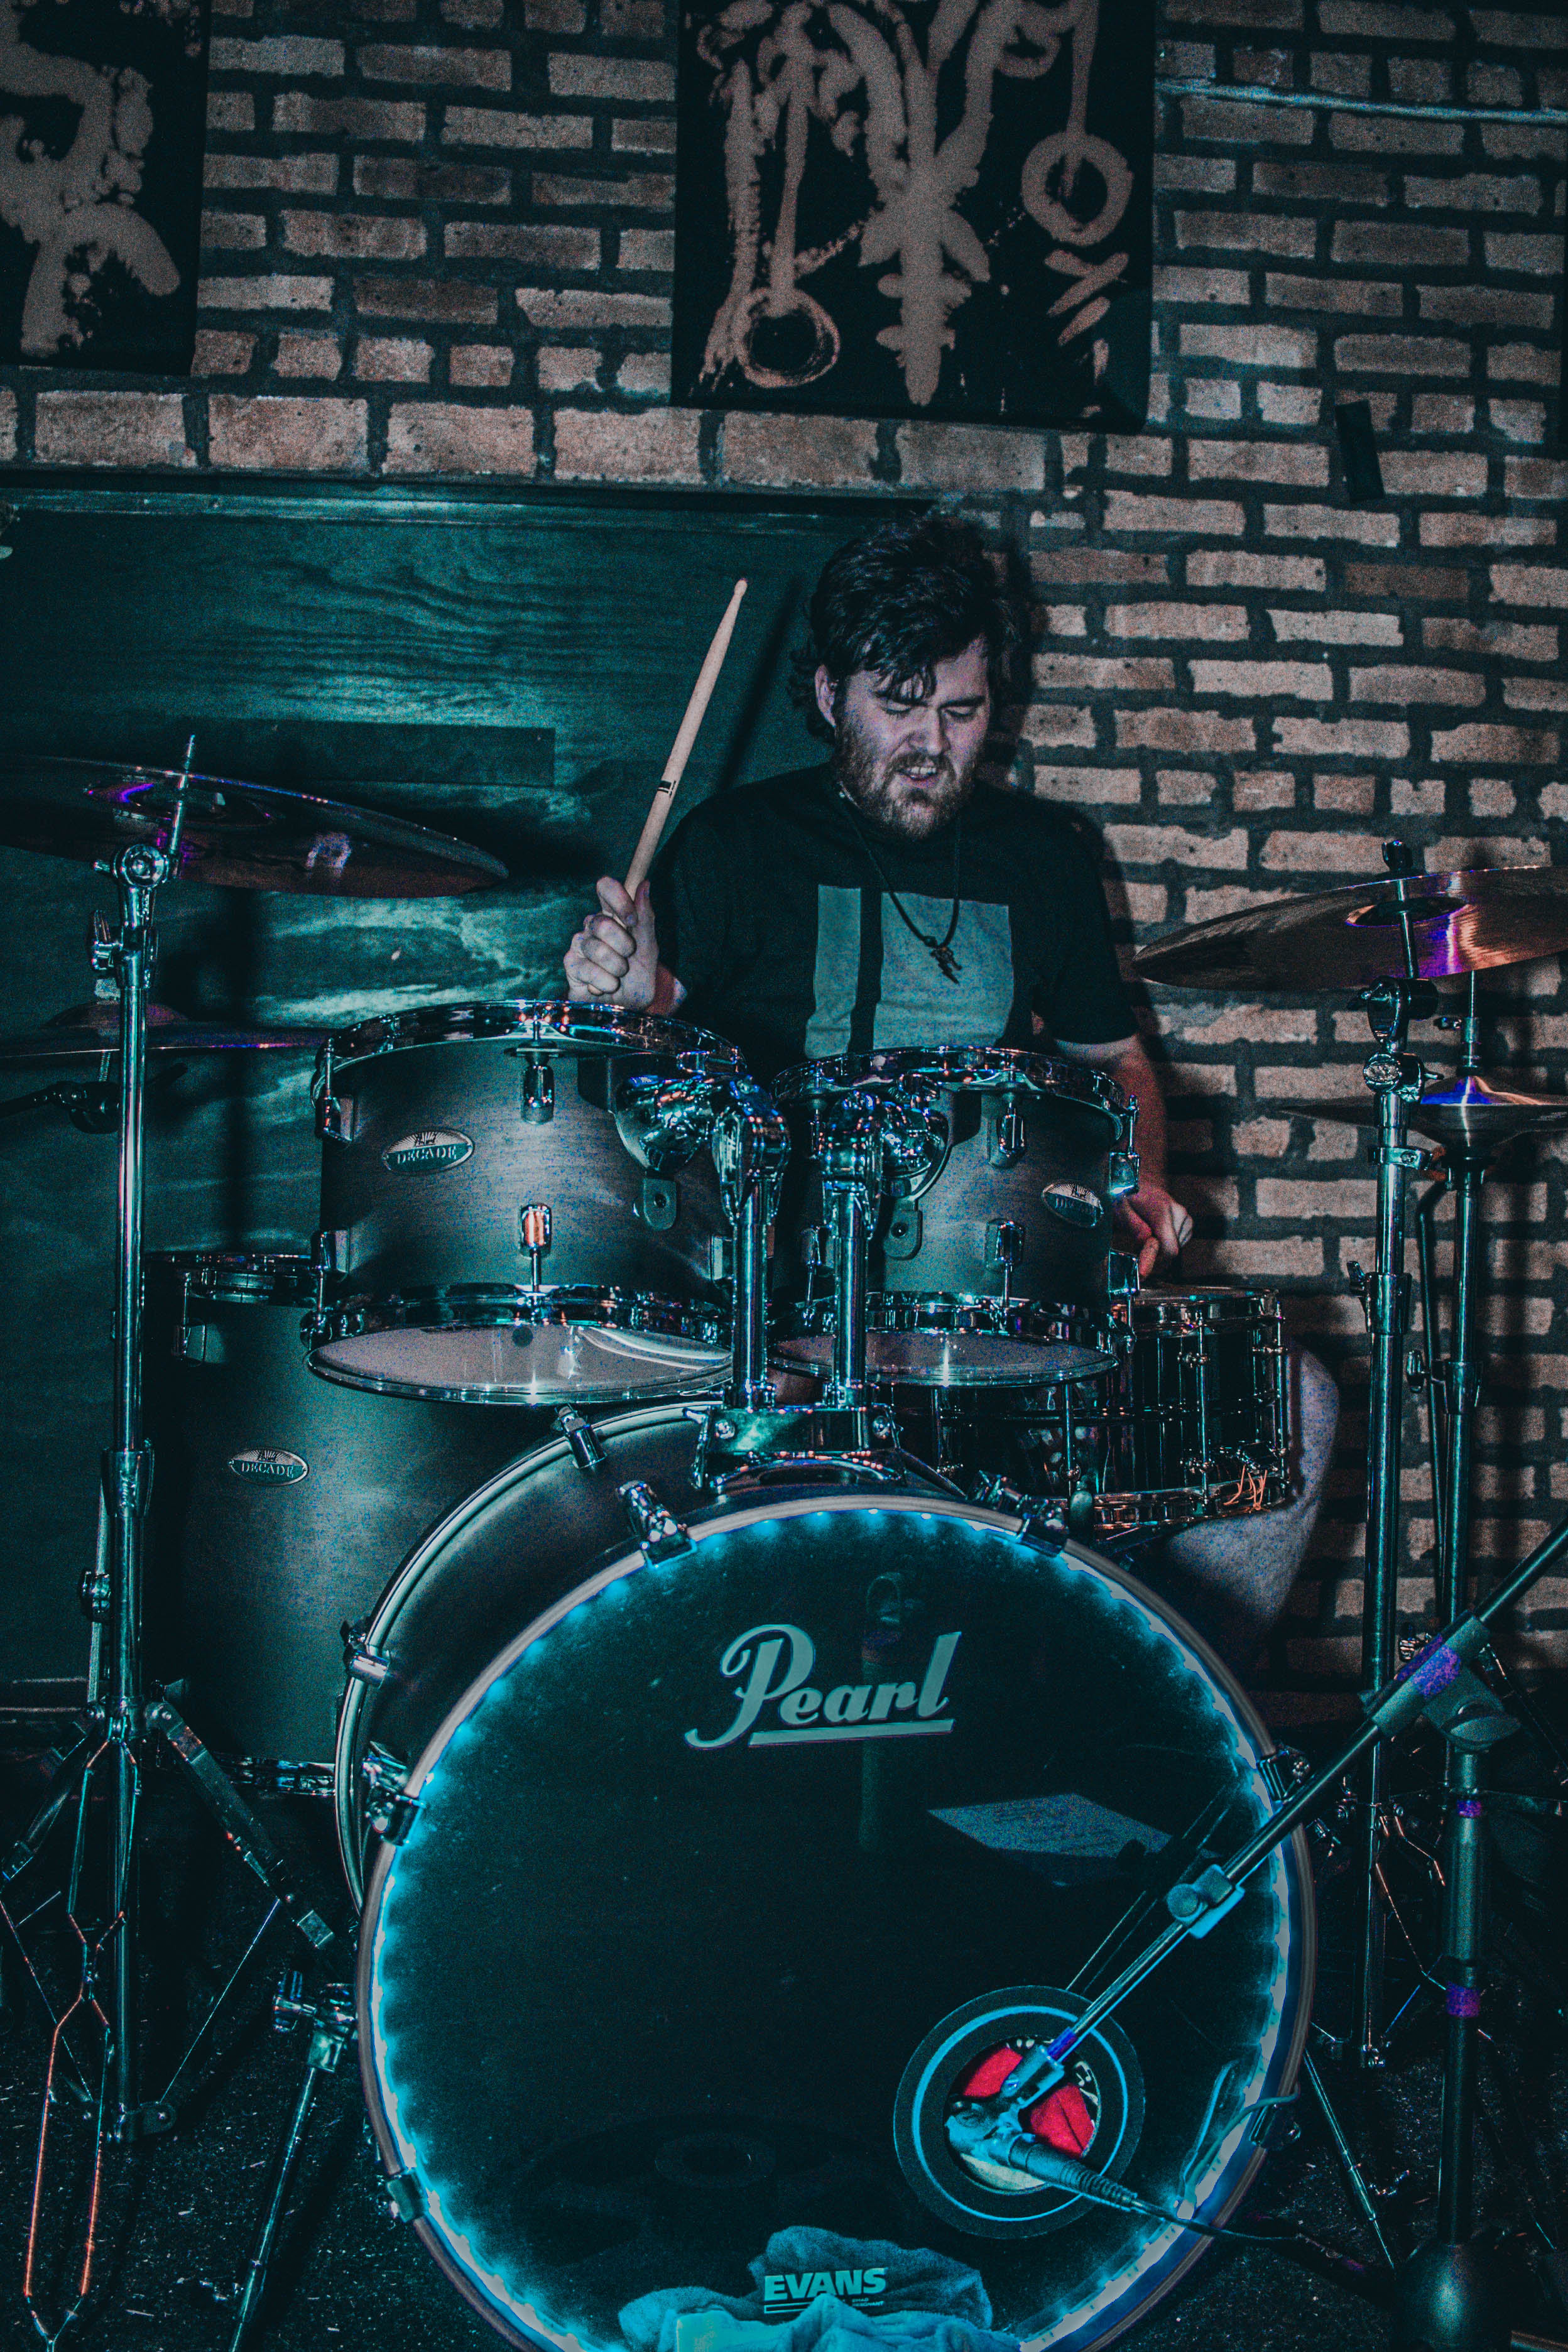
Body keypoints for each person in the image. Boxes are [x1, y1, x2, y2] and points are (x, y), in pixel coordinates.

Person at [563, 515, 1335, 1671]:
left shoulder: (1045, 855)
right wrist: (634, 998)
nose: (931, 745)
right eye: (900, 707)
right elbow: (655, 1033)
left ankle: (1165, 1721)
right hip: (790, 1312)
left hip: (1004, 1308)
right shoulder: (736, 844)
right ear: (828, 695)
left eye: (962, 713)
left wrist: (1142, 1184)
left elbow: (1118, 1062)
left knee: (1293, 1404)